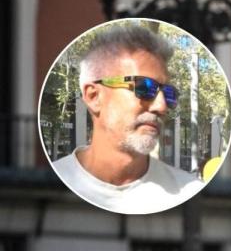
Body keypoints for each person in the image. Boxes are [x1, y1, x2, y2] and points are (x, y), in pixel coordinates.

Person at [51, 23, 203, 214]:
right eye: (144, 88)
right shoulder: (58, 178)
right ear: (93, 96)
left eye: (169, 93)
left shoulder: (187, 190)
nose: (161, 106)